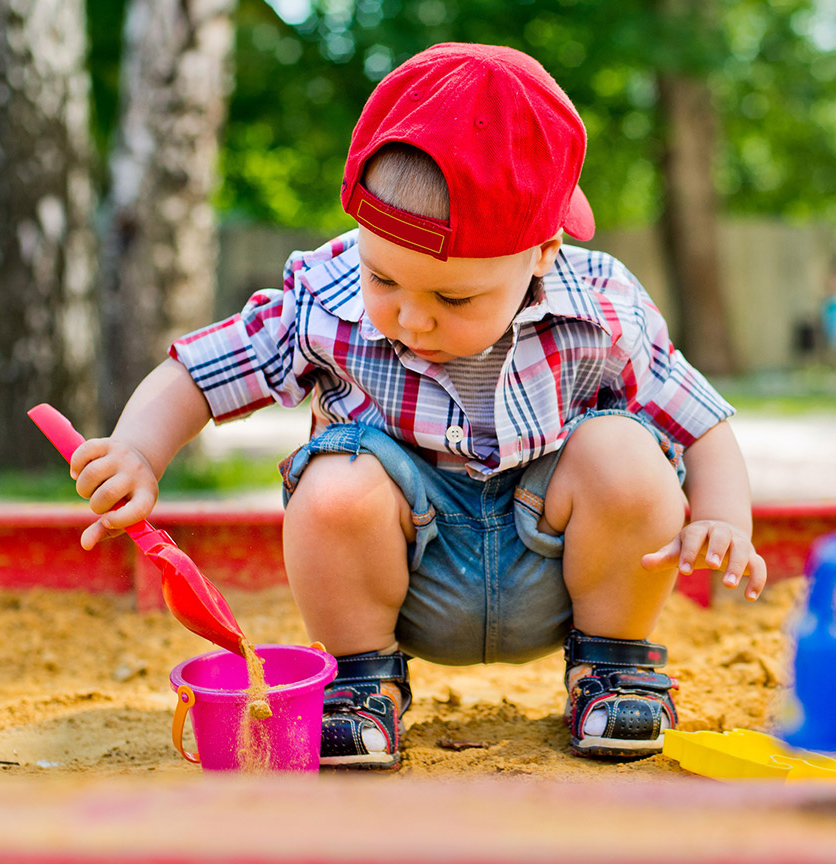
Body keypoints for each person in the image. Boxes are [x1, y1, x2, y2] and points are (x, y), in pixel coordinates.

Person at [63, 43, 765, 769]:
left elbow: (701, 422)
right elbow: (203, 371)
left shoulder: (603, 306)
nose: (411, 318)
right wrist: (138, 450)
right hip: (404, 576)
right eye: (384, 278)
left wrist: (722, 518)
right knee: (335, 483)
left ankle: (614, 670)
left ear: (543, 253)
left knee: (626, 451)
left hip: (555, 569)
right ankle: (361, 685)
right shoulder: (327, 293)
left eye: (453, 298)